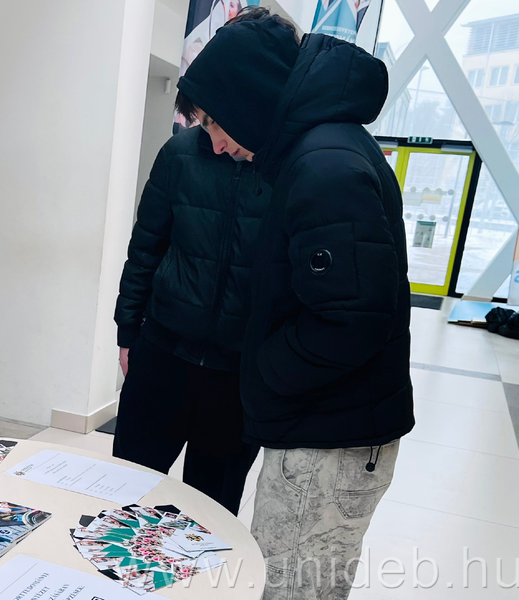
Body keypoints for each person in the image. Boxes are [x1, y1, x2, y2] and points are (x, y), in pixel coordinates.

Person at [174, 7, 413, 598]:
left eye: (215, 123)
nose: (216, 144)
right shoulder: (322, 151)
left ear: (247, 98)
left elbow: (351, 322)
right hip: (325, 426)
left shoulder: (325, 167)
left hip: (327, 439)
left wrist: (264, 371)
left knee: (291, 589)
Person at [112, 66, 271, 513]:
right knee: (125, 494)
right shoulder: (179, 153)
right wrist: (128, 332)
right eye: (205, 122)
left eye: (218, 123)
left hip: (236, 376)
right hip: (162, 355)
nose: (214, 139)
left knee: (211, 512)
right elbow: (145, 248)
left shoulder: (287, 170)